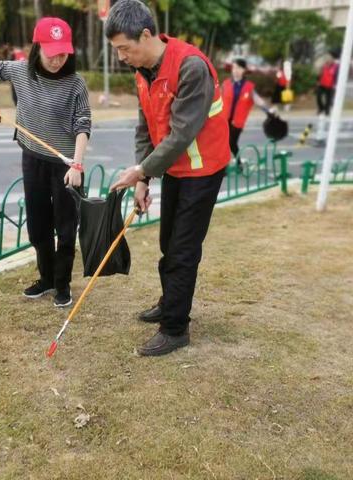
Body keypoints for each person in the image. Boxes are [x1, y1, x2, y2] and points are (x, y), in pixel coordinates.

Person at [106, 0, 230, 356]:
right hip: (175, 167)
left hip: (203, 168)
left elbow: (181, 134)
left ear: (145, 35)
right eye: (117, 51)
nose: (122, 57)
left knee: (183, 249)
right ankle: (170, 301)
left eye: (124, 49)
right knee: (167, 243)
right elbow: (145, 126)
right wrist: (144, 179)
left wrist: (142, 171)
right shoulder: (143, 71)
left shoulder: (191, 67)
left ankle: (175, 328)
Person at [0, 17, 91, 307]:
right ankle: (46, 279)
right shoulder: (19, 72)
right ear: (38, 47)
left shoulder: (75, 83)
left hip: (66, 165)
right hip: (32, 158)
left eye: (63, 52)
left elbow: (83, 124)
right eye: (51, 52)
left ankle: (63, 284)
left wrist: (77, 165)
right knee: (38, 225)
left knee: (66, 228)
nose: (58, 59)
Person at [221, 58, 272, 168]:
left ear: (244, 70)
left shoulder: (249, 87)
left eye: (239, 68)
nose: (236, 70)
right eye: (234, 67)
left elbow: (258, 100)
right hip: (224, 119)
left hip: (238, 122)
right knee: (226, 143)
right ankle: (235, 164)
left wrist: (268, 111)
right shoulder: (226, 84)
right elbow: (218, 99)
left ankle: (226, 166)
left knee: (230, 143)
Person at [315, 49, 340, 146]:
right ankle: (321, 109)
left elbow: (337, 77)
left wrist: (335, 85)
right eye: (326, 57)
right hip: (322, 85)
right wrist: (318, 81)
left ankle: (326, 111)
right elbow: (319, 75)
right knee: (319, 97)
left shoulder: (336, 67)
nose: (327, 58)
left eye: (329, 57)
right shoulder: (324, 66)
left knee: (328, 105)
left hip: (330, 87)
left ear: (333, 58)